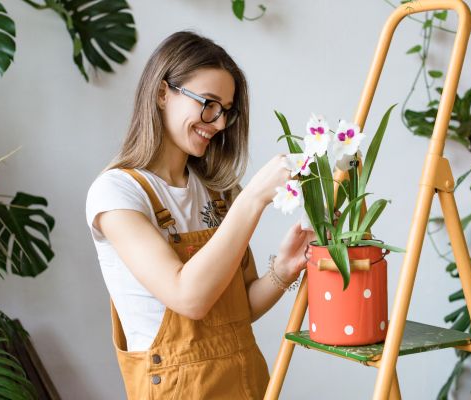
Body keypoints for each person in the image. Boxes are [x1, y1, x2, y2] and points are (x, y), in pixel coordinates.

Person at [85, 30, 315, 399]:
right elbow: (189, 297)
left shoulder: (218, 191)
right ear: (162, 93)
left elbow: (241, 308)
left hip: (246, 381)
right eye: (209, 103)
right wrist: (253, 198)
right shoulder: (116, 193)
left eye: (226, 110)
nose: (220, 123)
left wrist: (284, 268)